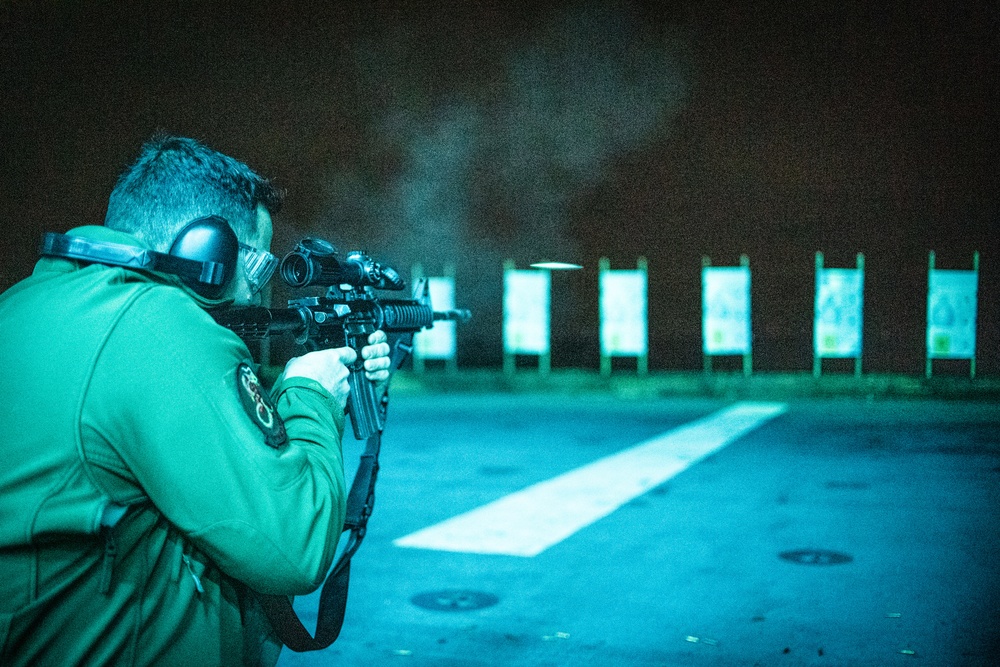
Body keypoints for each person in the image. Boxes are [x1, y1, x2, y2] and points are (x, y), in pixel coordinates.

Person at [0, 134, 391, 666]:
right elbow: (296, 544)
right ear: (205, 249)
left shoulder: (29, 303)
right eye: (254, 266)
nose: (255, 291)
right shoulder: (159, 327)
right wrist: (313, 394)